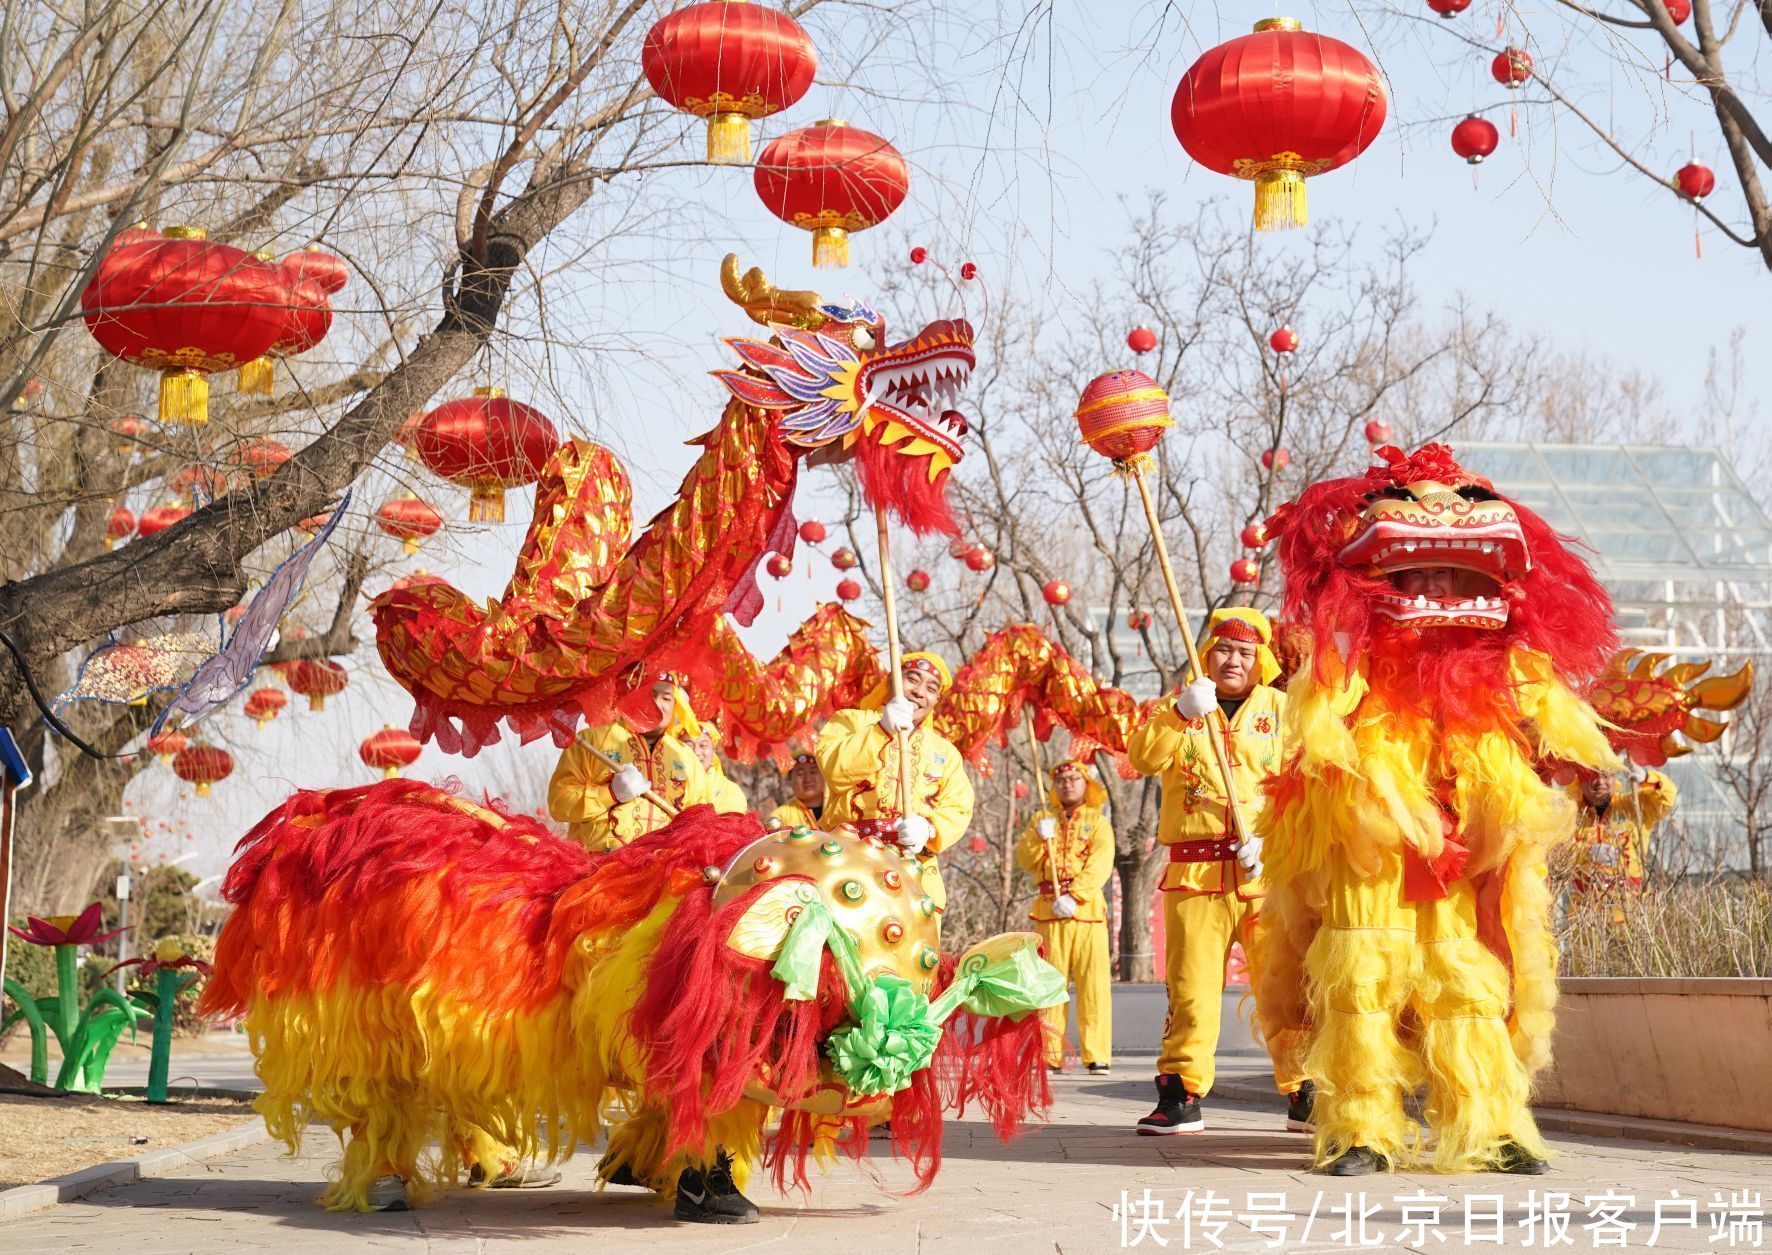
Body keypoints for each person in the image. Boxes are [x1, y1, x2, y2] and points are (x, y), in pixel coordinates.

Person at [1126, 607, 1306, 1135]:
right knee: (1191, 987)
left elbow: (1306, 783)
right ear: (1207, 654)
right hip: (1194, 874)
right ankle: (1180, 1094)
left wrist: (1276, 838)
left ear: (1262, 660)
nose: (1234, 660)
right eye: (1224, 649)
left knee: (1284, 984)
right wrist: (1180, 713)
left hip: (1266, 873)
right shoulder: (1180, 706)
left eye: (1246, 653)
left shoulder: (1284, 709)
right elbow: (1142, 759)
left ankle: (1304, 1089)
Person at [816, 651, 973, 917]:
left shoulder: (945, 753)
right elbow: (834, 769)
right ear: (891, 682)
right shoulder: (850, 722)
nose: (919, 692)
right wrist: (881, 732)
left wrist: (929, 830)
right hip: (847, 864)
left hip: (915, 875)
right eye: (912, 679)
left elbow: (959, 807)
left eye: (931, 689)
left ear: (936, 700)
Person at [1015, 758, 1115, 1075]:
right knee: (1050, 985)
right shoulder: (1042, 820)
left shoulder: (1098, 822)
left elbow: (1101, 862)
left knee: (1094, 985)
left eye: (1074, 779)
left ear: (1087, 784)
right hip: (1049, 909)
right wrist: (1035, 838)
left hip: (1085, 913)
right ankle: (1049, 1052)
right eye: (1061, 780)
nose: (1067, 784)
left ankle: (1097, 1055)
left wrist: (1076, 895)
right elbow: (1026, 860)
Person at [548, 676, 711, 853]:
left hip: (665, 871)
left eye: (666, 698)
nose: (657, 704)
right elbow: (559, 804)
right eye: (650, 694)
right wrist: (610, 793)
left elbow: (704, 820)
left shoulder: (686, 757)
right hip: (602, 868)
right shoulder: (592, 740)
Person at [1570, 763, 1677, 903]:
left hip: (1630, 908)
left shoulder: (1634, 806)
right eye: (1592, 775)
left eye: (1606, 775)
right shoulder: (1569, 815)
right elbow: (1557, 853)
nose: (1600, 782)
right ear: (1580, 780)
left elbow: (1667, 799)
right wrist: (1587, 852)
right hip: (1585, 912)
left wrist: (1646, 777)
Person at [685, 709, 750, 815]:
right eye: (689, 745)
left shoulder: (729, 790)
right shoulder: (667, 782)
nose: (696, 752)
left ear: (713, 751)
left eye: (703, 745)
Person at [769, 752, 827, 830]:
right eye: (800, 773)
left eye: (813, 772)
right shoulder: (779, 817)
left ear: (824, 774)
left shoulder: (838, 808)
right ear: (789, 779)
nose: (808, 779)